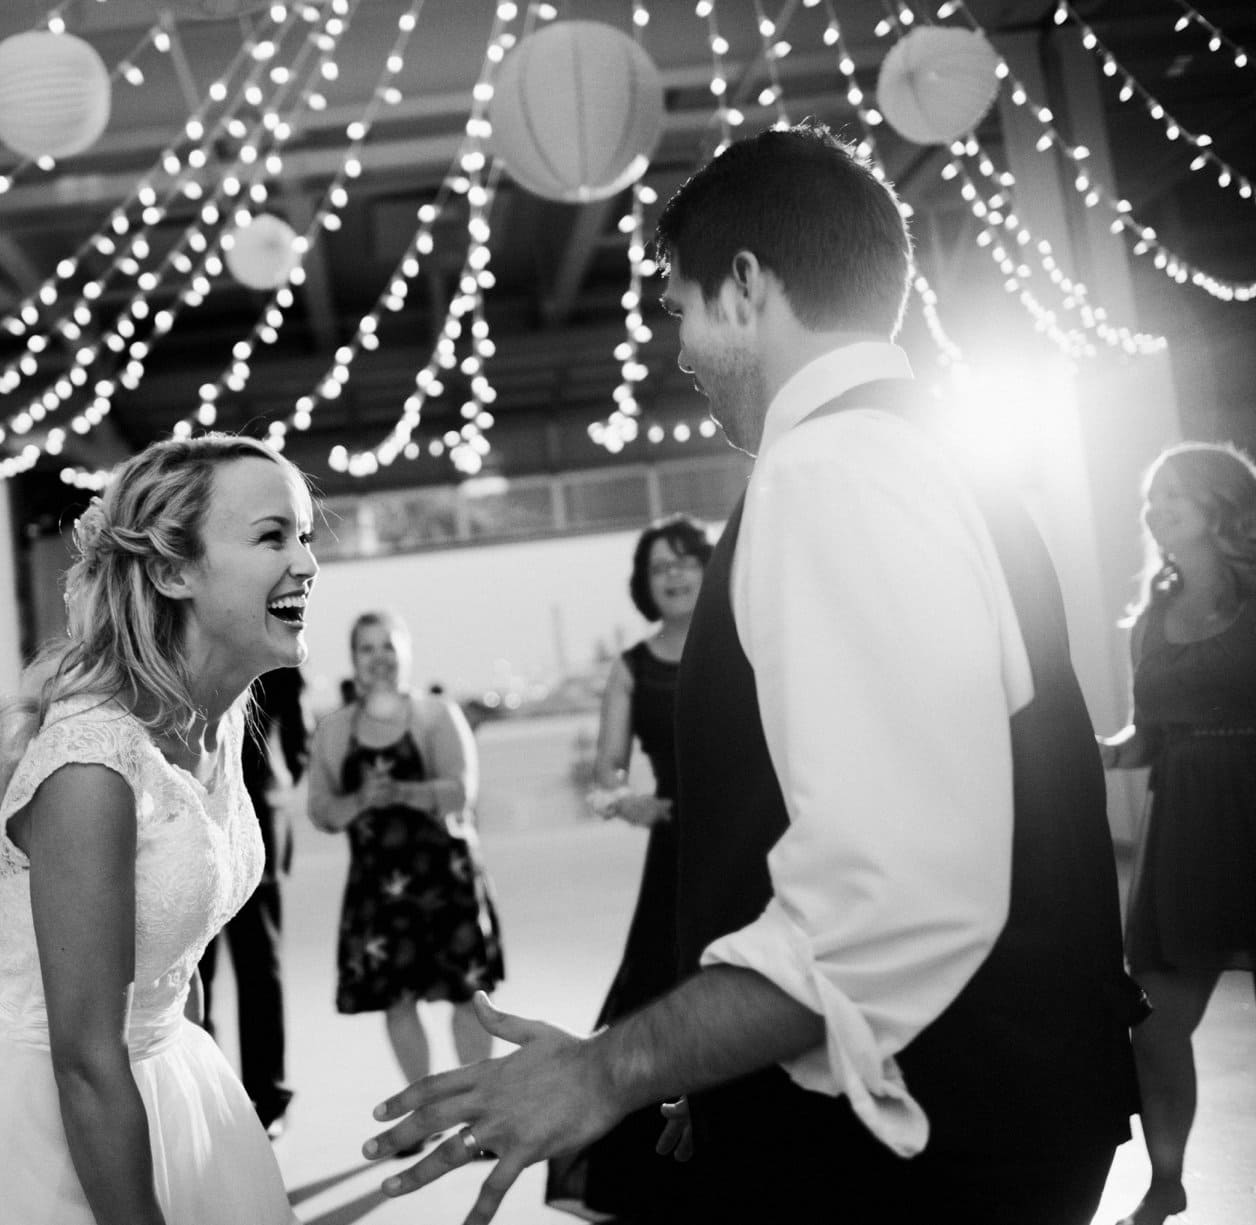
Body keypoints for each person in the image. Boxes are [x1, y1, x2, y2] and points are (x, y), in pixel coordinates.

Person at [362, 124, 1142, 1225]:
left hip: (931, 1141)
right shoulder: (924, 453)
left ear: (744, 285)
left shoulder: (833, 470)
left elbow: (883, 891)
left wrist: (604, 1071)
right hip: (988, 1102)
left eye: (677, 306)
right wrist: (720, 1066)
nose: (677, 348)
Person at [0, 433, 314, 1225]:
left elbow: (174, 950)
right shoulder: (93, 764)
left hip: (164, 1076)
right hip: (44, 1119)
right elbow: (86, 1060)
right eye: (272, 536)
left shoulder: (213, 726)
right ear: (170, 570)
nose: (306, 562)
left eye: (304, 536)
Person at [1099, 442, 1256, 1225]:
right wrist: (1089, 749)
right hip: (1187, 826)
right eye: (1150, 498)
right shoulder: (1149, 621)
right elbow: (1149, 735)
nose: (1156, 510)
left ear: (1221, 503)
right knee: (1156, 1029)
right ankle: (1166, 1182)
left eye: (1174, 496)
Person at [544, 516, 709, 1223]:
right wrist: (631, 802)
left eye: (685, 560)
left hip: (752, 841)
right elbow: (605, 777)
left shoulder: (741, 642)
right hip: (675, 851)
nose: (673, 574)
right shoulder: (633, 666)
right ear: (644, 585)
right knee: (659, 994)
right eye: (658, 567)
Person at [307, 611, 505, 1123]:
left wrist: (402, 793)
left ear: (406, 654)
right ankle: (427, 1111)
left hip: (447, 879)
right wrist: (360, 802)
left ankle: (479, 1111)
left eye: (388, 647)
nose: (379, 659)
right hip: (377, 889)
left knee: (467, 997)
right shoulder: (333, 730)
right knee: (398, 1002)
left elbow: (462, 791)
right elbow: (322, 811)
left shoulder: (437, 714)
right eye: (368, 649)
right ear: (354, 660)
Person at [198, 664, 307, 1138]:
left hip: (257, 826)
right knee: (191, 971)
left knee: (260, 968)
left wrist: (265, 793)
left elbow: (296, 747)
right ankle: (204, 1093)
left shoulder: (279, 664)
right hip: (191, 832)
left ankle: (269, 1099)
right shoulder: (187, 652)